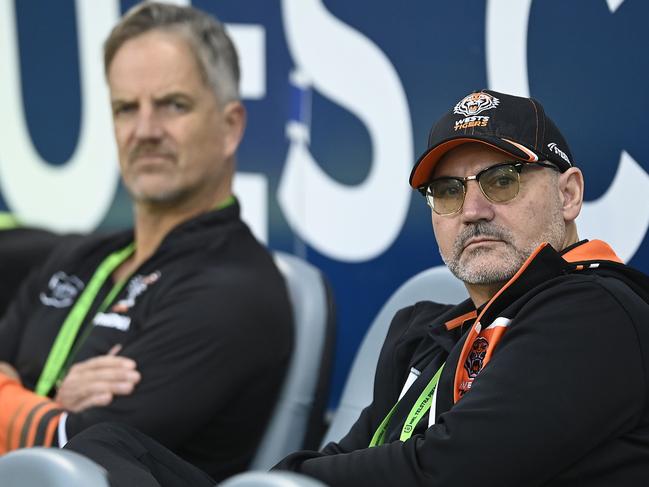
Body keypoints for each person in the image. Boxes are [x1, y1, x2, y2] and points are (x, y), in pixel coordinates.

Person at [66, 89, 649, 486]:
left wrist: (287, 481)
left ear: (569, 194)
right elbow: (353, 457)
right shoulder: (426, 333)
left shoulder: (597, 310)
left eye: (500, 181)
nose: (471, 210)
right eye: (446, 192)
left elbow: (452, 470)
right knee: (110, 450)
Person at [0, 2, 293, 482]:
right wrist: (49, 406)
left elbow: (76, 455)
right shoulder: (77, 256)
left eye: (173, 105)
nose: (145, 130)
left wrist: (25, 399)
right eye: (126, 108)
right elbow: (54, 429)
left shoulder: (234, 290)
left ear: (230, 126)